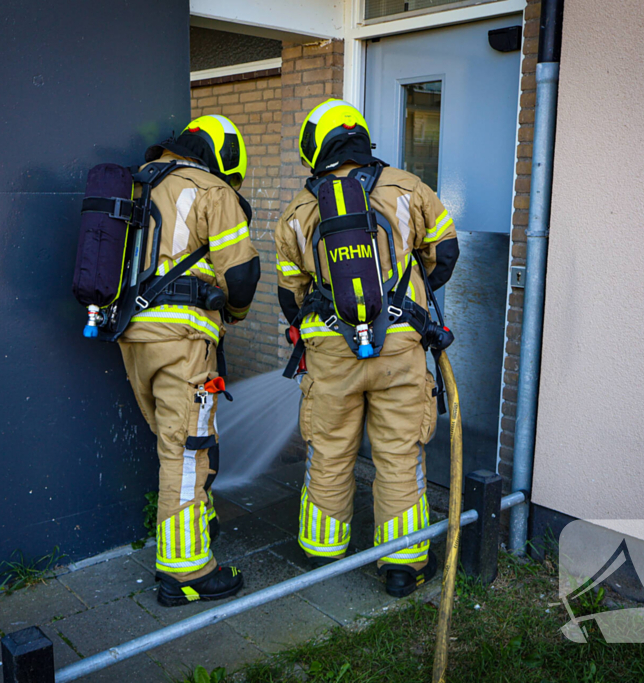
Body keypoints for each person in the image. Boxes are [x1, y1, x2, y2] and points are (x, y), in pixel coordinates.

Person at [275, 99, 460, 597]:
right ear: (360, 138)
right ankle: (402, 565)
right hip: (399, 349)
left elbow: (288, 294)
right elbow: (444, 256)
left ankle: (321, 552)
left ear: (314, 148)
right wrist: (407, 306)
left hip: (330, 351)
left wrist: (323, 328)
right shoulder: (407, 189)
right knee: (399, 452)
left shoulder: (298, 211)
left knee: (330, 448)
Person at [120, 114, 260, 606]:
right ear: (223, 158)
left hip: (132, 337)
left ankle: (197, 521)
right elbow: (241, 275)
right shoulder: (210, 190)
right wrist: (235, 314)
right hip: (182, 340)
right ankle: (186, 572)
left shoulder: (140, 180)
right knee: (185, 452)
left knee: (174, 441)